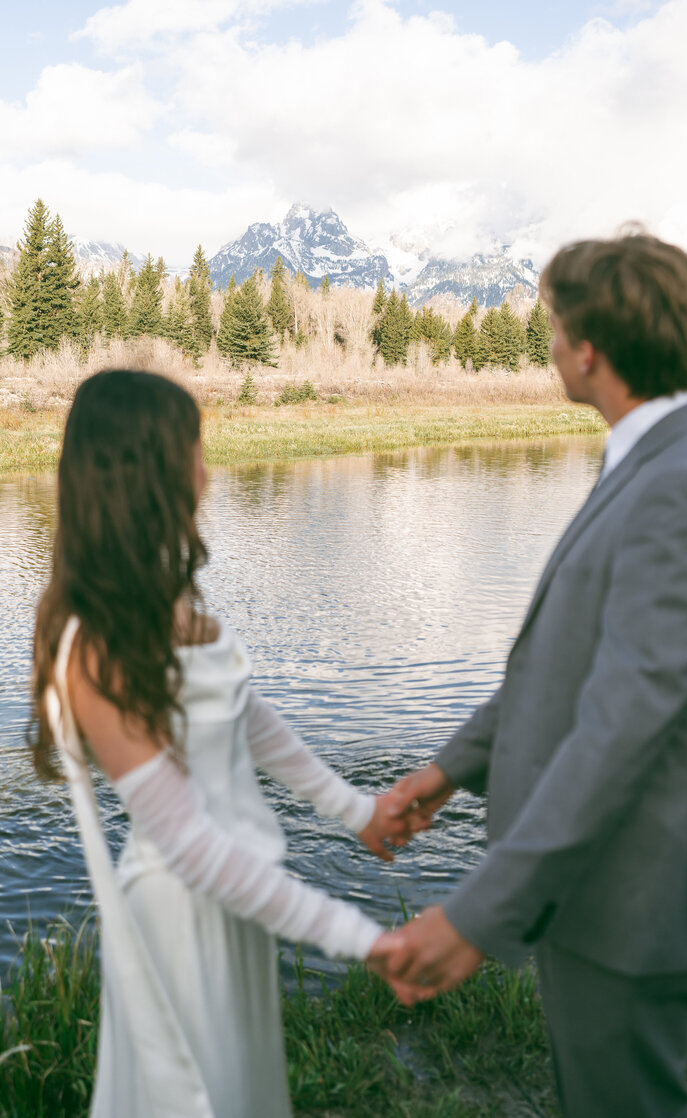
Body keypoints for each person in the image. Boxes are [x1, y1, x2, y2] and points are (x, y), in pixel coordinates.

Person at [373, 233, 687, 1117]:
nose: (548, 343)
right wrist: (447, 771)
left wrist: (477, 915)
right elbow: (564, 666)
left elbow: (623, 725)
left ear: (588, 350)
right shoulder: (650, 461)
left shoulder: (683, 487)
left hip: (635, 896)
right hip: (605, 889)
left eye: (553, 325)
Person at [30, 368, 414, 1118]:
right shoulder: (93, 642)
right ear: (145, 471)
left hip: (236, 903)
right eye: (193, 448)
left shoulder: (163, 597)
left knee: (243, 1091)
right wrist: (363, 939)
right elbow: (190, 845)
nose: (207, 468)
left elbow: (244, 714)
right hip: (180, 916)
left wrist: (358, 811)